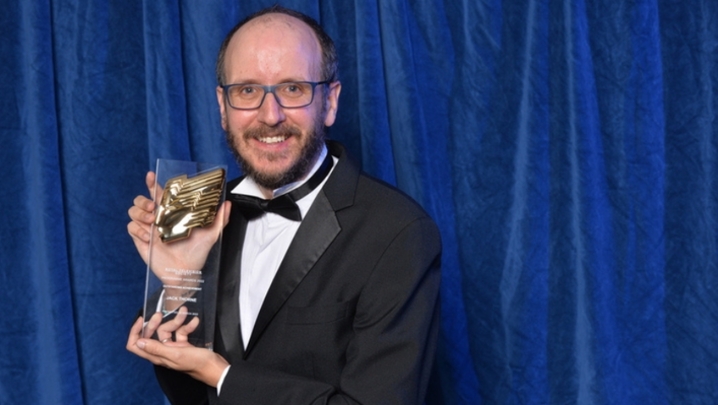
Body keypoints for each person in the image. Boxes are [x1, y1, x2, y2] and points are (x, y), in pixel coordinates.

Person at [126, 5, 441, 405]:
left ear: (329, 102)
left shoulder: (398, 231)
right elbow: (188, 393)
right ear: (223, 108)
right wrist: (177, 286)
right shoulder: (199, 210)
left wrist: (222, 375)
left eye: (293, 88)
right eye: (248, 91)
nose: (269, 115)